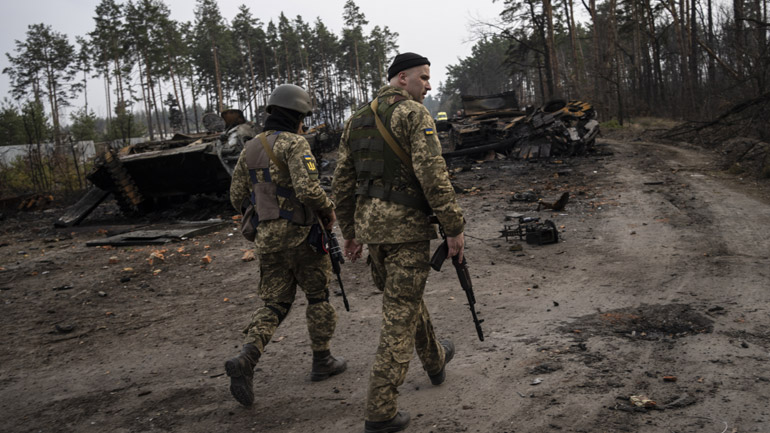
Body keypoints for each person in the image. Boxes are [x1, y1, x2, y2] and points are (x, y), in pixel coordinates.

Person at [332, 52, 465, 433]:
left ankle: (436, 360)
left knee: (403, 302)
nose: (429, 85)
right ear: (402, 78)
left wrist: (351, 232)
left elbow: (342, 181)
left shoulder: (356, 118)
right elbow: (433, 175)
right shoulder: (413, 115)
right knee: (399, 318)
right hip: (405, 232)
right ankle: (380, 410)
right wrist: (453, 226)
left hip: (373, 233)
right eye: (423, 78)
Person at [225, 84, 347, 408]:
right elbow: (308, 190)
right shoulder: (296, 144)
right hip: (303, 236)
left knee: (275, 305)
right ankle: (322, 361)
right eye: (303, 118)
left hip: (266, 240)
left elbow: (237, 197)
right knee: (318, 296)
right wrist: (329, 208)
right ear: (296, 117)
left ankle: (246, 359)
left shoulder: (249, 148)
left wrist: (266, 210)